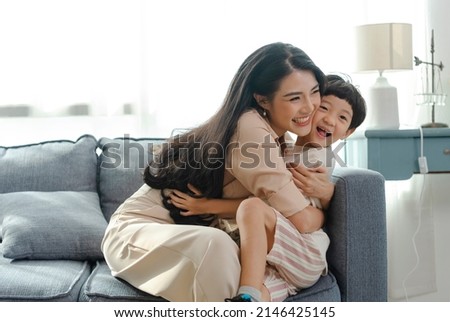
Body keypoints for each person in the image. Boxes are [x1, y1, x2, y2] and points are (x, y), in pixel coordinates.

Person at [101, 42, 329, 302]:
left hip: (186, 235)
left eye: (314, 92)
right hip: (135, 234)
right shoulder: (250, 128)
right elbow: (300, 219)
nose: (310, 107)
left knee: (234, 259)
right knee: (219, 248)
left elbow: (267, 210)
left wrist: (327, 190)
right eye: (295, 98)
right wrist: (325, 211)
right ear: (262, 98)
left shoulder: (280, 142)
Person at [169, 74, 367, 301]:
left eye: (342, 117)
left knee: (252, 208)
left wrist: (207, 206)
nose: (330, 120)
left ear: (348, 132)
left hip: (304, 251)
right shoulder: (286, 149)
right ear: (309, 108)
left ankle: (248, 293)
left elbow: (279, 209)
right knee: (256, 296)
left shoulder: (315, 159)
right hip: (283, 261)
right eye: (324, 108)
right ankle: (251, 296)